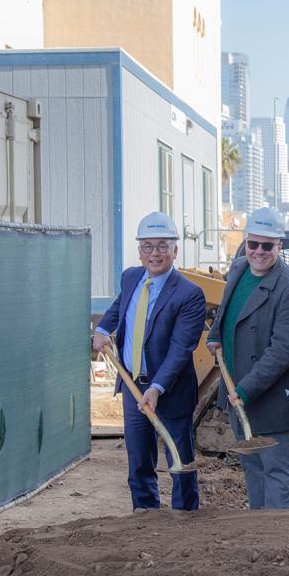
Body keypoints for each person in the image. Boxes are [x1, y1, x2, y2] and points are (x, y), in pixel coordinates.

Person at [92, 211, 206, 511]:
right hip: (132, 387)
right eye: (148, 246)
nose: (154, 253)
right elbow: (119, 308)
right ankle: (145, 516)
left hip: (169, 391)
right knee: (139, 460)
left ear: (175, 250)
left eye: (162, 246)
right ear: (139, 250)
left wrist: (156, 388)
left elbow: (181, 349)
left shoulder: (189, 295)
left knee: (179, 459)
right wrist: (103, 329)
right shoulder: (132, 277)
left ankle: (185, 517)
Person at [206, 207, 289, 509]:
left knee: (276, 471)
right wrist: (214, 335)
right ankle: (258, 530)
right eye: (254, 244)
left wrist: (245, 390)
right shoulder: (238, 269)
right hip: (238, 390)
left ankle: (279, 539)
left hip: (271, 397)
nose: (259, 252)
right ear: (245, 242)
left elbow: (282, 353)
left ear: (280, 246)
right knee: (252, 468)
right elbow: (225, 311)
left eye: (268, 245)